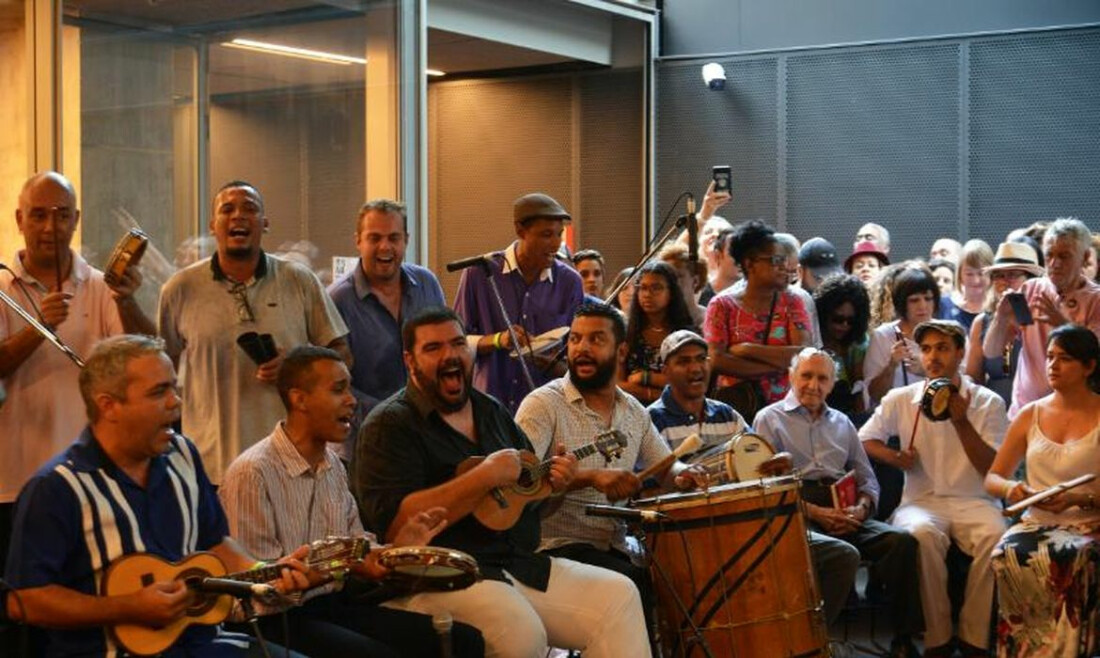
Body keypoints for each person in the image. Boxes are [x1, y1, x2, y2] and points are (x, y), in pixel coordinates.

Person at [353, 306, 651, 658]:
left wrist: (557, 485)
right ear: (409, 360)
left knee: (619, 595)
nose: (450, 355)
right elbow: (395, 526)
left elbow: (532, 503)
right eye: (433, 348)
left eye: (458, 344)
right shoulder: (390, 425)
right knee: (520, 632)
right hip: (437, 576)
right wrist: (483, 477)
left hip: (514, 564)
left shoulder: (491, 411)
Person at [3, 335, 311, 657]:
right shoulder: (56, 488)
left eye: (174, 388)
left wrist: (266, 571)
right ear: (109, 406)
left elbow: (215, 543)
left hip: (203, 643)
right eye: (158, 392)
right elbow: (23, 600)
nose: (175, 402)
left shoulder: (183, 454)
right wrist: (127, 607)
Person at [219, 345, 484, 657]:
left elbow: (356, 548)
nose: (352, 400)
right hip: (273, 619)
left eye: (349, 388)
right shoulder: (252, 472)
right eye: (338, 390)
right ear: (299, 399)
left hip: (331, 604)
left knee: (464, 640)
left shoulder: (333, 464)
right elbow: (254, 590)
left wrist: (397, 550)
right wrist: (320, 572)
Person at [514, 304, 707, 644]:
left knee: (685, 578)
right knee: (635, 583)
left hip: (613, 546)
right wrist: (589, 478)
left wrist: (683, 473)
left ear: (621, 351)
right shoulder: (542, 404)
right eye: (575, 339)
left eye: (596, 339)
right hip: (551, 550)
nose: (582, 348)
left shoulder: (633, 411)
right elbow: (518, 480)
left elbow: (666, 466)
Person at [0, 171, 156, 570]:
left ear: (76, 219)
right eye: (38, 215)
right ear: (19, 219)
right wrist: (39, 327)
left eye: (61, 215)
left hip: (92, 480)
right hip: (12, 482)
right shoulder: (3, 288)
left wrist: (128, 301)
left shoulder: (102, 287)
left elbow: (144, 358)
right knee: (20, 597)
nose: (50, 227)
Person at [158, 180, 349, 483]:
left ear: (265, 223)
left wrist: (297, 370)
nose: (238, 216)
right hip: (210, 469)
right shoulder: (180, 289)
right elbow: (160, 368)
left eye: (249, 208)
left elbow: (342, 354)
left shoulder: (298, 280)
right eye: (227, 209)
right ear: (213, 225)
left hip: (291, 464)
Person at [755, 348, 923, 657]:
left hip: (843, 506)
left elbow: (867, 479)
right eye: (806, 376)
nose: (813, 385)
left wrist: (861, 508)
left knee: (901, 542)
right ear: (791, 377)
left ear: (832, 384)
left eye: (822, 378)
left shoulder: (842, 422)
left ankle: (903, 638)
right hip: (797, 509)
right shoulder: (769, 419)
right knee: (839, 554)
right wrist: (816, 512)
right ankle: (812, 641)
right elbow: (765, 488)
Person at [860, 320, 1008, 658]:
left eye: (942, 348)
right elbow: (864, 439)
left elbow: (992, 468)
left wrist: (962, 421)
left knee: (996, 536)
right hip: (921, 502)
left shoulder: (988, 402)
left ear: (960, 352)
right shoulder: (902, 398)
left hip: (976, 500)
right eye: (926, 349)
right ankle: (937, 639)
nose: (932, 357)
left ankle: (974, 638)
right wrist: (895, 458)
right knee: (921, 535)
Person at [984, 325, 1100, 658]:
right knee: (1005, 552)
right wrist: (1014, 488)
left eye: (1065, 358)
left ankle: (1068, 650)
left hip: (1089, 524)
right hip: (1037, 521)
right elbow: (993, 478)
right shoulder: (1030, 413)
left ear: (1089, 366)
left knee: (1072, 558)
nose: (1053, 365)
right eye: (1050, 357)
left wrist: (1079, 499)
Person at [327, 199, 444, 454]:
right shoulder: (336, 300)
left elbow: (446, 350)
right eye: (374, 238)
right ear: (358, 241)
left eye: (394, 238)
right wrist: (395, 418)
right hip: (365, 445)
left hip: (429, 438)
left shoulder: (427, 283)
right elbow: (336, 384)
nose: (385, 247)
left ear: (406, 240)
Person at [454, 192, 584, 415]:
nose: (556, 244)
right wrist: (498, 340)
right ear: (520, 230)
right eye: (546, 235)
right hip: (490, 409)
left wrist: (556, 365)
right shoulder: (479, 273)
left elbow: (576, 351)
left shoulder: (570, 282)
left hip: (547, 410)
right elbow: (458, 341)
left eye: (559, 234)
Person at [983, 218, 1100, 417]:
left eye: (1064, 256)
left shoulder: (1096, 300)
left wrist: (1062, 325)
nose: (1055, 263)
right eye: (1049, 255)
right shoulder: (1030, 289)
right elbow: (991, 351)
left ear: (1085, 257)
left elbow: (1094, 359)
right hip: (1024, 411)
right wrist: (1001, 318)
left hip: (1075, 414)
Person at [704, 220, 812, 422]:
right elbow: (717, 360)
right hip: (736, 411)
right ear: (749, 264)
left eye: (784, 260)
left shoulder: (792, 302)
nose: (784, 267)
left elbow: (804, 354)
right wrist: (779, 367)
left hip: (785, 414)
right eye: (776, 260)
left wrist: (746, 350)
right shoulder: (722, 306)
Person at [647, 329, 748, 458]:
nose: (695, 368)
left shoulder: (727, 416)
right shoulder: (651, 421)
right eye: (684, 361)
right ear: (665, 371)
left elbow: (753, 453)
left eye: (701, 359)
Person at [965, 242, 1044, 404]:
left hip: (1034, 405)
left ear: (1031, 280)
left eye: (1012, 275)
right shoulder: (982, 322)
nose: (1004, 282)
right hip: (994, 409)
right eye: (999, 275)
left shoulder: (1043, 319)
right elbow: (974, 377)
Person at [619, 261, 696, 404]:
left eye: (656, 288)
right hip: (632, 409)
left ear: (671, 292)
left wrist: (645, 377)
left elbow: (687, 382)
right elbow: (618, 385)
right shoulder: (626, 332)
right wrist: (655, 393)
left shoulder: (684, 334)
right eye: (643, 288)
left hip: (676, 411)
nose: (648, 294)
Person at [865, 267, 939, 405]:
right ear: (901, 303)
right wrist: (891, 365)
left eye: (928, 298)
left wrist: (927, 371)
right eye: (914, 300)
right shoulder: (882, 336)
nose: (923, 305)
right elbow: (874, 394)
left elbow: (964, 384)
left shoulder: (947, 333)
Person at [814, 274, 872, 420]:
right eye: (837, 319)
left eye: (850, 321)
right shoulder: (811, 340)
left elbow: (859, 386)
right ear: (824, 314)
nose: (844, 326)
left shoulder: (858, 343)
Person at [949, 240, 994, 332]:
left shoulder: (1000, 308)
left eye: (981, 273)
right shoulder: (945, 305)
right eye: (969, 274)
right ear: (959, 274)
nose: (975, 280)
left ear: (992, 273)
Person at [697, 227, 739, 307]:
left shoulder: (755, 293)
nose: (742, 259)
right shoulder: (699, 292)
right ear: (718, 255)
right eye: (734, 253)